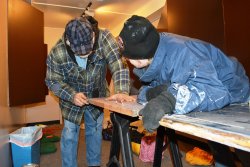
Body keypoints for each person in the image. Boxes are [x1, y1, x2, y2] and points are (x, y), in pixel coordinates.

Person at [118, 15, 250, 167]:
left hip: (237, 94)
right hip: (217, 96)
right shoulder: (155, 54)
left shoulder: (183, 51)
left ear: (139, 57)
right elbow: (154, 87)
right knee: (215, 142)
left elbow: (214, 91)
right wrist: (149, 94)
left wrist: (168, 99)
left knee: (243, 146)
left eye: (127, 57)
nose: (126, 61)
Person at [45, 16, 135, 167]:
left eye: (89, 48)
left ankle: (94, 165)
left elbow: (119, 65)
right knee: (69, 134)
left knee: (94, 132)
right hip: (70, 99)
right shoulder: (57, 52)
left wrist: (122, 91)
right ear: (68, 41)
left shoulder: (105, 38)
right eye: (80, 52)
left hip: (97, 95)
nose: (85, 54)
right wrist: (71, 95)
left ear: (93, 34)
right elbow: (52, 81)